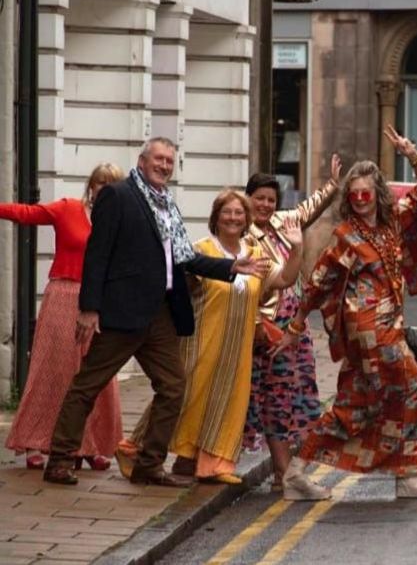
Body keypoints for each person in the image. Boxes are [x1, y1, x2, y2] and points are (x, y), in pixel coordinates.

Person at [42, 137, 267, 487]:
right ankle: (59, 459)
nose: (164, 166)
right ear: (143, 160)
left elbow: (185, 259)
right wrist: (89, 308)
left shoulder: (166, 204)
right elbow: (97, 254)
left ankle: (149, 464)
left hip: (160, 312)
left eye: (169, 161)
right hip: (122, 311)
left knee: (174, 387)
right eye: (159, 159)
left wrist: (231, 268)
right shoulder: (118, 195)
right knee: (88, 385)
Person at [274, 125, 417, 501]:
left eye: (365, 193)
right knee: (414, 389)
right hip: (368, 329)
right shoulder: (347, 236)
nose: (359, 199)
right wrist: (295, 326)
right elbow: (319, 283)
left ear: (378, 194)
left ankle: (295, 472)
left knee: (354, 406)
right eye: (354, 194)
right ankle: (408, 475)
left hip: (389, 325)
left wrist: (412, 155)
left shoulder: (394, 222)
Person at [165, 191, 305, 484]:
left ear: (246, 220)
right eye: (226, 212)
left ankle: (213, 466)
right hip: (202, 340)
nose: (232, 218)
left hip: (238, 347)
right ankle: (161, 454)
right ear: (216, 217)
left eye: (239, 213)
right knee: (191, 398)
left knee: (228, 402)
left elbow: (284, 279)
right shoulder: (200, 249)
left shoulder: (256, 254)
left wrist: (297, 250)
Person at [2, 163, 124, 471]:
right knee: (53, 370)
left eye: (111, 186)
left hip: (102, 303)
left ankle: (90, 445)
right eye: (100, 184)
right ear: (90, 185)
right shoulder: (68, 208)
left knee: (97, 374)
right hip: (64, 295)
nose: (103, 190)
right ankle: (35, 441)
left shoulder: (120, 222)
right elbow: (27, 214)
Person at [244, 160, 340, 492]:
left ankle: (282, 475)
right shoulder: (245, 235)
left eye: (271, 199)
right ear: (248, 199)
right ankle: (284, 474)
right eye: (259, 198)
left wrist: (332, 184)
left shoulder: (285, 221)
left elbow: (310, 207)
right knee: (275, 399)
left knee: (297, 398)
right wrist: (258, 325)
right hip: (269, 329)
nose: (265, 205)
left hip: (296, 327)